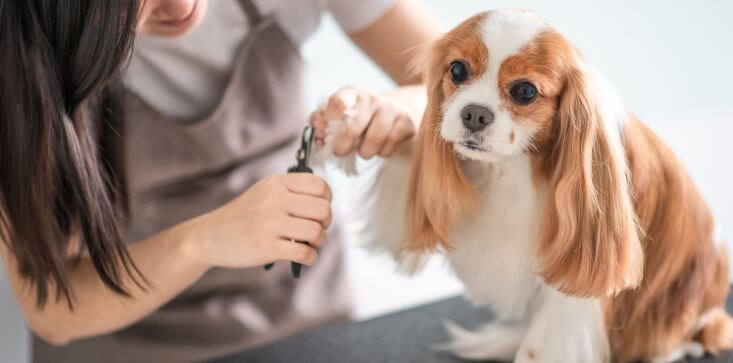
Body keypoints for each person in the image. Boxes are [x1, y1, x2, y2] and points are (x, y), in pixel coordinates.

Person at [0, 0, 442, 362]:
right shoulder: (19, 53)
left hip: (305, 330)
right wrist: (205, 240)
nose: (178, 6)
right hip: (117, 346)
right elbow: (53, 307)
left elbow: (459, 84)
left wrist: (400, 108)